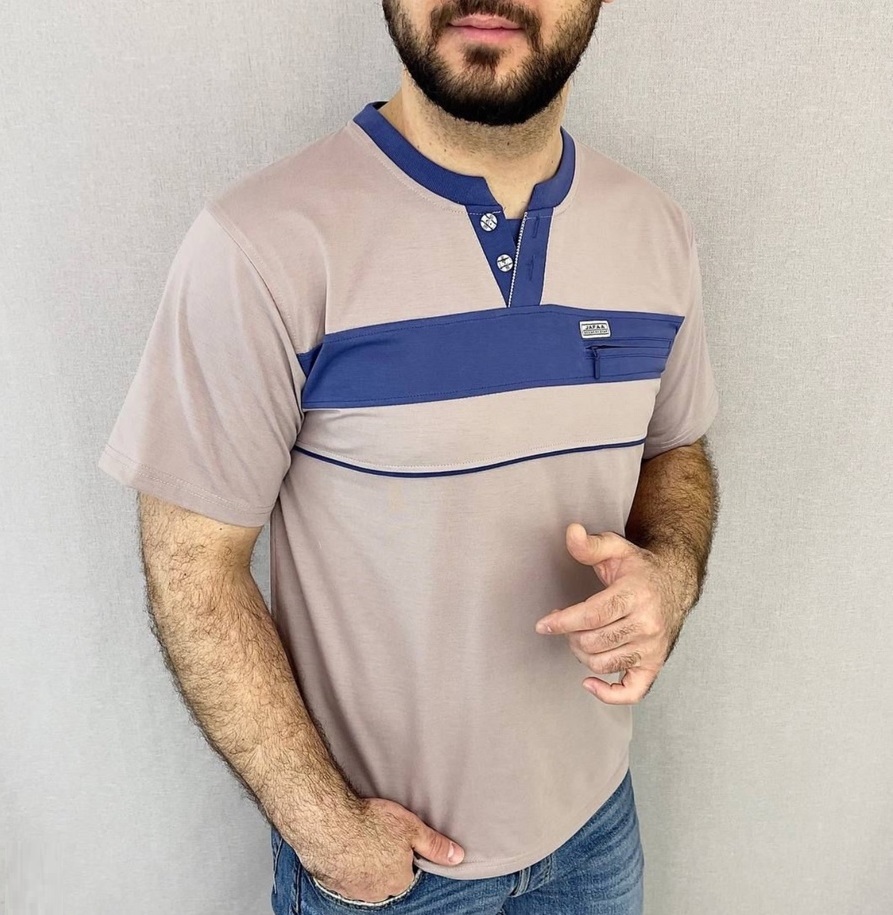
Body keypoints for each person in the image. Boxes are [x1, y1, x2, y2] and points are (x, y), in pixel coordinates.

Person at [98, 1, 720, 912]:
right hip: (392, 871)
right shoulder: (260, 244)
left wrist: (670, 571)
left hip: (597, 827)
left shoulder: (656, 230)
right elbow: (193, 568)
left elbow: (675, 449)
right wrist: (328, 832)